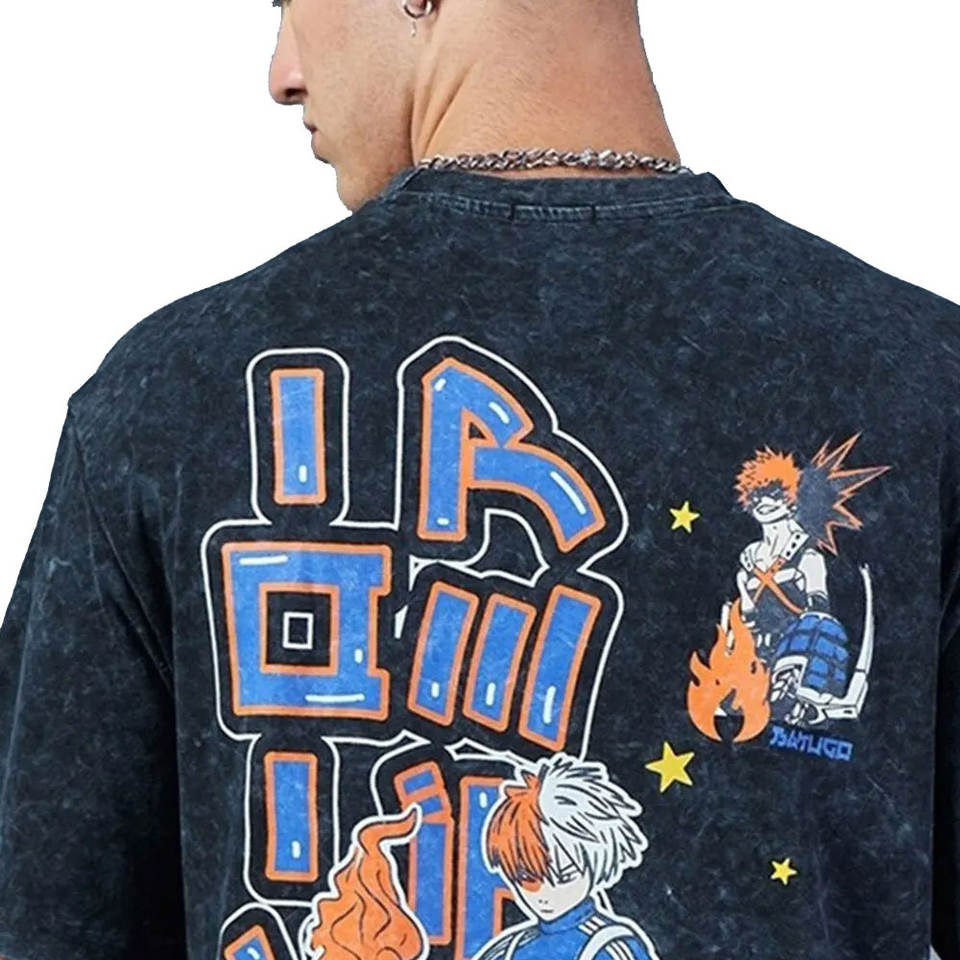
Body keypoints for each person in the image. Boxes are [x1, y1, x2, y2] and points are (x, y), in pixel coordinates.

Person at [0, 1, 956, 959]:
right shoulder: (921, 379)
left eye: (289, 3)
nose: (281, 73)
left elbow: (45, 917)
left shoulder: (170, 397)